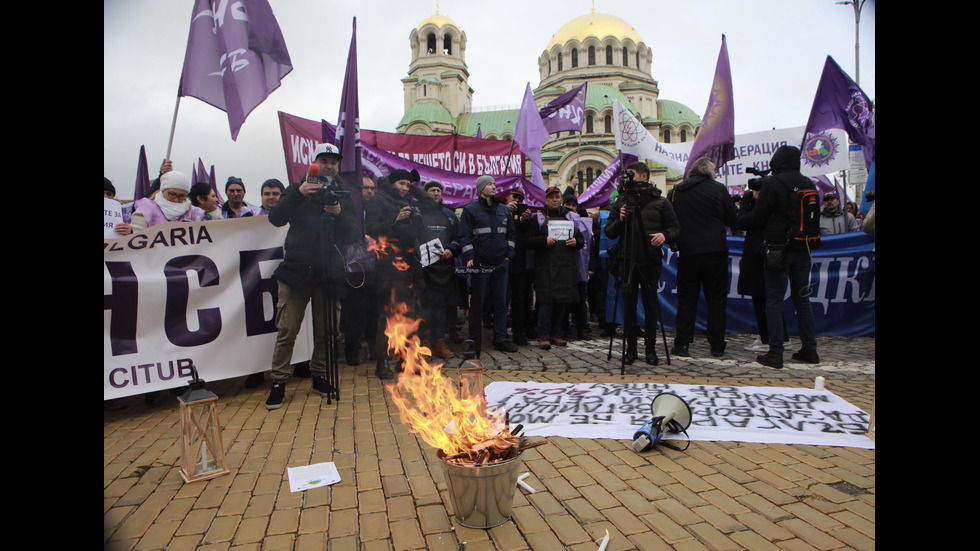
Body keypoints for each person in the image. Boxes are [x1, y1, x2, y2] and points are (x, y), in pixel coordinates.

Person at [265, 143, 357, 409]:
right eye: (324, 160)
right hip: (296, 272)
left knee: (328, 332)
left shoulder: (343, 194)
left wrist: (339, 215)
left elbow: (352, 235)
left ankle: (319, 375)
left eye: (334, 162)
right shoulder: (297, 188)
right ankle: (279, 381)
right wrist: (299, 194)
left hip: (329, 273)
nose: (329, 165)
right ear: (314, 162)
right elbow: (276, 218)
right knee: (287, 330)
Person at [736, 145, 819, 369]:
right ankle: (810, 348)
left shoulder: (772, 183)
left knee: (773, 300)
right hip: (803, 249)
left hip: (778, 250)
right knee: (802, 299)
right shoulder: (807, 183)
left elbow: (758, 218)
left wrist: (745, 208)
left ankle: (775, 351)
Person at [604, 163, 679, 365]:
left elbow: (675, 229)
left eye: (633, 174)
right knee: (629, 307)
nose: (629, 178)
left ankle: (651, 350)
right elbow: (609, 232)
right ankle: (631, 349)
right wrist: (619, 219)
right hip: (627, 259)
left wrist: (664, 235)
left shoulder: (660, 202)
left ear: (644, 176)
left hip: (650, 261)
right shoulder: (621, 201)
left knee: (651, 305)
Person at [667, 157, 737, 357]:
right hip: (715, 250)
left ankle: (682, 343)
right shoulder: (718, 189)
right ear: (708, 171)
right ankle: (717, 345)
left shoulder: (676, 192)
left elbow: (670, 220)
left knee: (687, 298)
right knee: (716, 299)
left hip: (688, 251)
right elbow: (733, 219)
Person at [365, 169, 430, 378]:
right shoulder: (378, 201)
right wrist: (396, 219)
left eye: (407, 185)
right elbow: (372, 230)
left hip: (410, 265)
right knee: (388, 315)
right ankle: (382, 362)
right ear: (391, 183)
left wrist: (416, 187)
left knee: (410, 315)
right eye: (401, 183)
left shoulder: (410, 200)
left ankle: (406, 361)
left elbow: (431, 204)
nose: (404, 188)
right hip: (389, 266)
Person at [458, 176, 518, 352]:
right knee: (478, 303)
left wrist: (508, 256)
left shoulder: (504, 211)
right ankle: (474, 340)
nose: (493, 186)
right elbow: (465, 236)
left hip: (501, 264)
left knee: (501, 303)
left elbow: (511, 235)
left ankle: (500, 338)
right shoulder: (470, 211)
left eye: (493, 183)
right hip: (480, 264)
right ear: (481, 189)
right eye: (489, 184)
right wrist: (470, 256)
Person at [526, 187, 585, 349]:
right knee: (546, 303)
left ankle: (555, 333)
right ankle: (543, 335)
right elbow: (528, 241)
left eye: (557, 197)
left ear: (561, 199)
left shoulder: (571, 217)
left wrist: (576, 242)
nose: (554, 200)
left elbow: (581, 238)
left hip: (566, 267)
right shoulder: (537, 218)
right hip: (545, 268)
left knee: (562, 302)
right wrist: (543, 241)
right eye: (551, 197)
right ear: (546, 200)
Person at [418, 180, 462, 359]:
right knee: (424, 307)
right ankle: (425, 342)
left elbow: (459, 237)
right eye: (431, 190)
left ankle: (440, 342)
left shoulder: (449, 215)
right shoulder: (417, 214)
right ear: (425, 193)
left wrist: (451, 249)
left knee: (441, 307)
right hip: (422, 269)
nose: (435, 193)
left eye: (438, 190)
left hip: (444, 269)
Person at [504, 188, 534, 346]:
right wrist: (506, 213)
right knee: (500, 300)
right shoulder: (498, 212)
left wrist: (523, 220)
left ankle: (519, 332)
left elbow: (527, 238)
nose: (517, 201)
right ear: (507, 197)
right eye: (514, 197)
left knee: (520, 300)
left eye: (520, 199)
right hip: (501, 262)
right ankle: (500, 333)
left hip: (519, 264)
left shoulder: (524, 220)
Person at [130, 171, 204, 233]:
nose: (176, 199)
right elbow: (139, 238)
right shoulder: (145, 210)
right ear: (163, 190)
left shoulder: (195, 213)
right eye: (172, 194)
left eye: (182, 196)